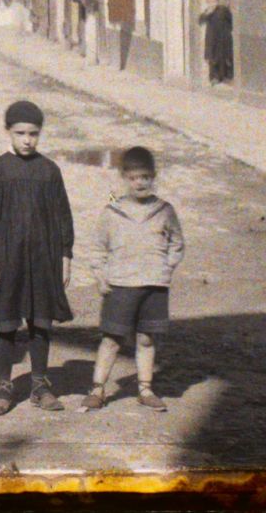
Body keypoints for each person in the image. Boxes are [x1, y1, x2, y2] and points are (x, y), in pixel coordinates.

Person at [0, 99, 76, 417]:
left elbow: (63, 217)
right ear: (8, 132)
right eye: (20, 133)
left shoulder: (49, 171)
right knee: (5, 322)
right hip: (7, 259)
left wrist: (65, 255)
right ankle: (4, 386)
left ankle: (40, 384)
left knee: (40, 320)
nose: (27, 139)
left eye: (33, 133)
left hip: (43, 258)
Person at [80, 145, 185, 413]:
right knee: (111, 339)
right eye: (134, 177)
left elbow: (177, 243)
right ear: (125, 178)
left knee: (147, 339)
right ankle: (97, 389)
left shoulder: (164, 210)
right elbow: (97, 247)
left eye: (146, 177)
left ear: (154, 177)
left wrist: (166, 268)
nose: (140, 182)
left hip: (153, 285)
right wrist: (100, 275)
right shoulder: (113, 212)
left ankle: (145, 388)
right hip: (121, 285)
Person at [197, 0, 235, 85]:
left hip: (223, 38)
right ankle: (214, 78)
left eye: (213, 1)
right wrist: (207, 14)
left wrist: (228, 32)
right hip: (212, 39)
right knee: (212, 58)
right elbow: (200, 21)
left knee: (224, 57)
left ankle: (226, 77)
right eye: (209, 2)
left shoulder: (223, 10)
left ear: (217, 1)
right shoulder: (208, 11)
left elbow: (231, 21)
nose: (212, 4)